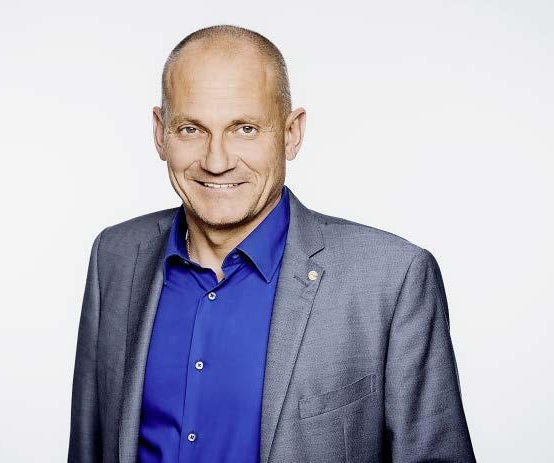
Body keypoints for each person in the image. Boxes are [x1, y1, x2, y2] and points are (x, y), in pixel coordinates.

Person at [68, 24, 476, 463]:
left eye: (244, 129)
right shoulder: (114, 256)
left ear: (291, 133)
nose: (217, 161)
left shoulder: (392, 280)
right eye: (191, 129)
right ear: (160, 133)